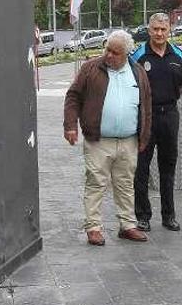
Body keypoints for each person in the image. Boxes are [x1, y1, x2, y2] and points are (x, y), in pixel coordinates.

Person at [64, 30, 152, 245]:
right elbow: (73, 96)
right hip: (98, 140)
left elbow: (146, 106)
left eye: (115, 52)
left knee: (125, 184)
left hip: (128, 140)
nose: (109, 55)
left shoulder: (138, 72)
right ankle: (93, 227)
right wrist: (70, 126)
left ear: (127, 54)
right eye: (107, 49)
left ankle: (127, 225)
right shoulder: (91, 68)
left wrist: (144, 136)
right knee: (95, 183)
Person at [131, 13, 182, 232]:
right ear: (149, 29)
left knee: (168, 167)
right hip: (146, 116)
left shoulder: (178, 55)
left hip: (170, 115)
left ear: (169, 29)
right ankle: (143, 216)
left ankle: (169, 215)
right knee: (142, 168)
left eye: (163, 29)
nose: (159, 33)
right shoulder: (138, 56)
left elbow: (180, 88)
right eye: (155, 29)